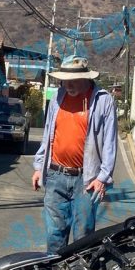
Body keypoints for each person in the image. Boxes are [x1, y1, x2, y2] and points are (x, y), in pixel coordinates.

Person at [32, 55, 117, 254]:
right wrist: (39, 167)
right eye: (64, 80)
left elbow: (110, 143)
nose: (68, 84)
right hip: (55, 175)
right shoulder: (58, 97)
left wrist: (103, 178)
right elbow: (48, 134)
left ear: (86, 78)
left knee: (83, 236)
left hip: (87, 179)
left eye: (73, 80)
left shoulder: (103, 100)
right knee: (55, 234)